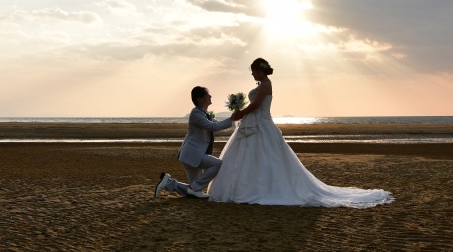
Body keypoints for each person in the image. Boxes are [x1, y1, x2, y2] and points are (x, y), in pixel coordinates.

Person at [207, 58, 394, 207]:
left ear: (260, 70)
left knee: (267, 155)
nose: (253, 74)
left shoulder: (266, 84)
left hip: (261, 122)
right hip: (252, 123)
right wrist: (241, 109)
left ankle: (260, 189)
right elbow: (253, 104)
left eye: (254, 71)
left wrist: (241, 112)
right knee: (250, 155)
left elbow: (257, 105)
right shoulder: (260, 85)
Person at [154, 86, 238, 199]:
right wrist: (232, 119)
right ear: (200, 99)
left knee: (193, 190)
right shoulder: (196, 114)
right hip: (192, 154)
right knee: (217, 164)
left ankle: (168, 182)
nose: (210, 96)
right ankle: (190, 187)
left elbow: (217, 124)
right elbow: (213, 127)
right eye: (208, 94)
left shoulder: (204, 114)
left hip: (191, 156)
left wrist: (235, 120)